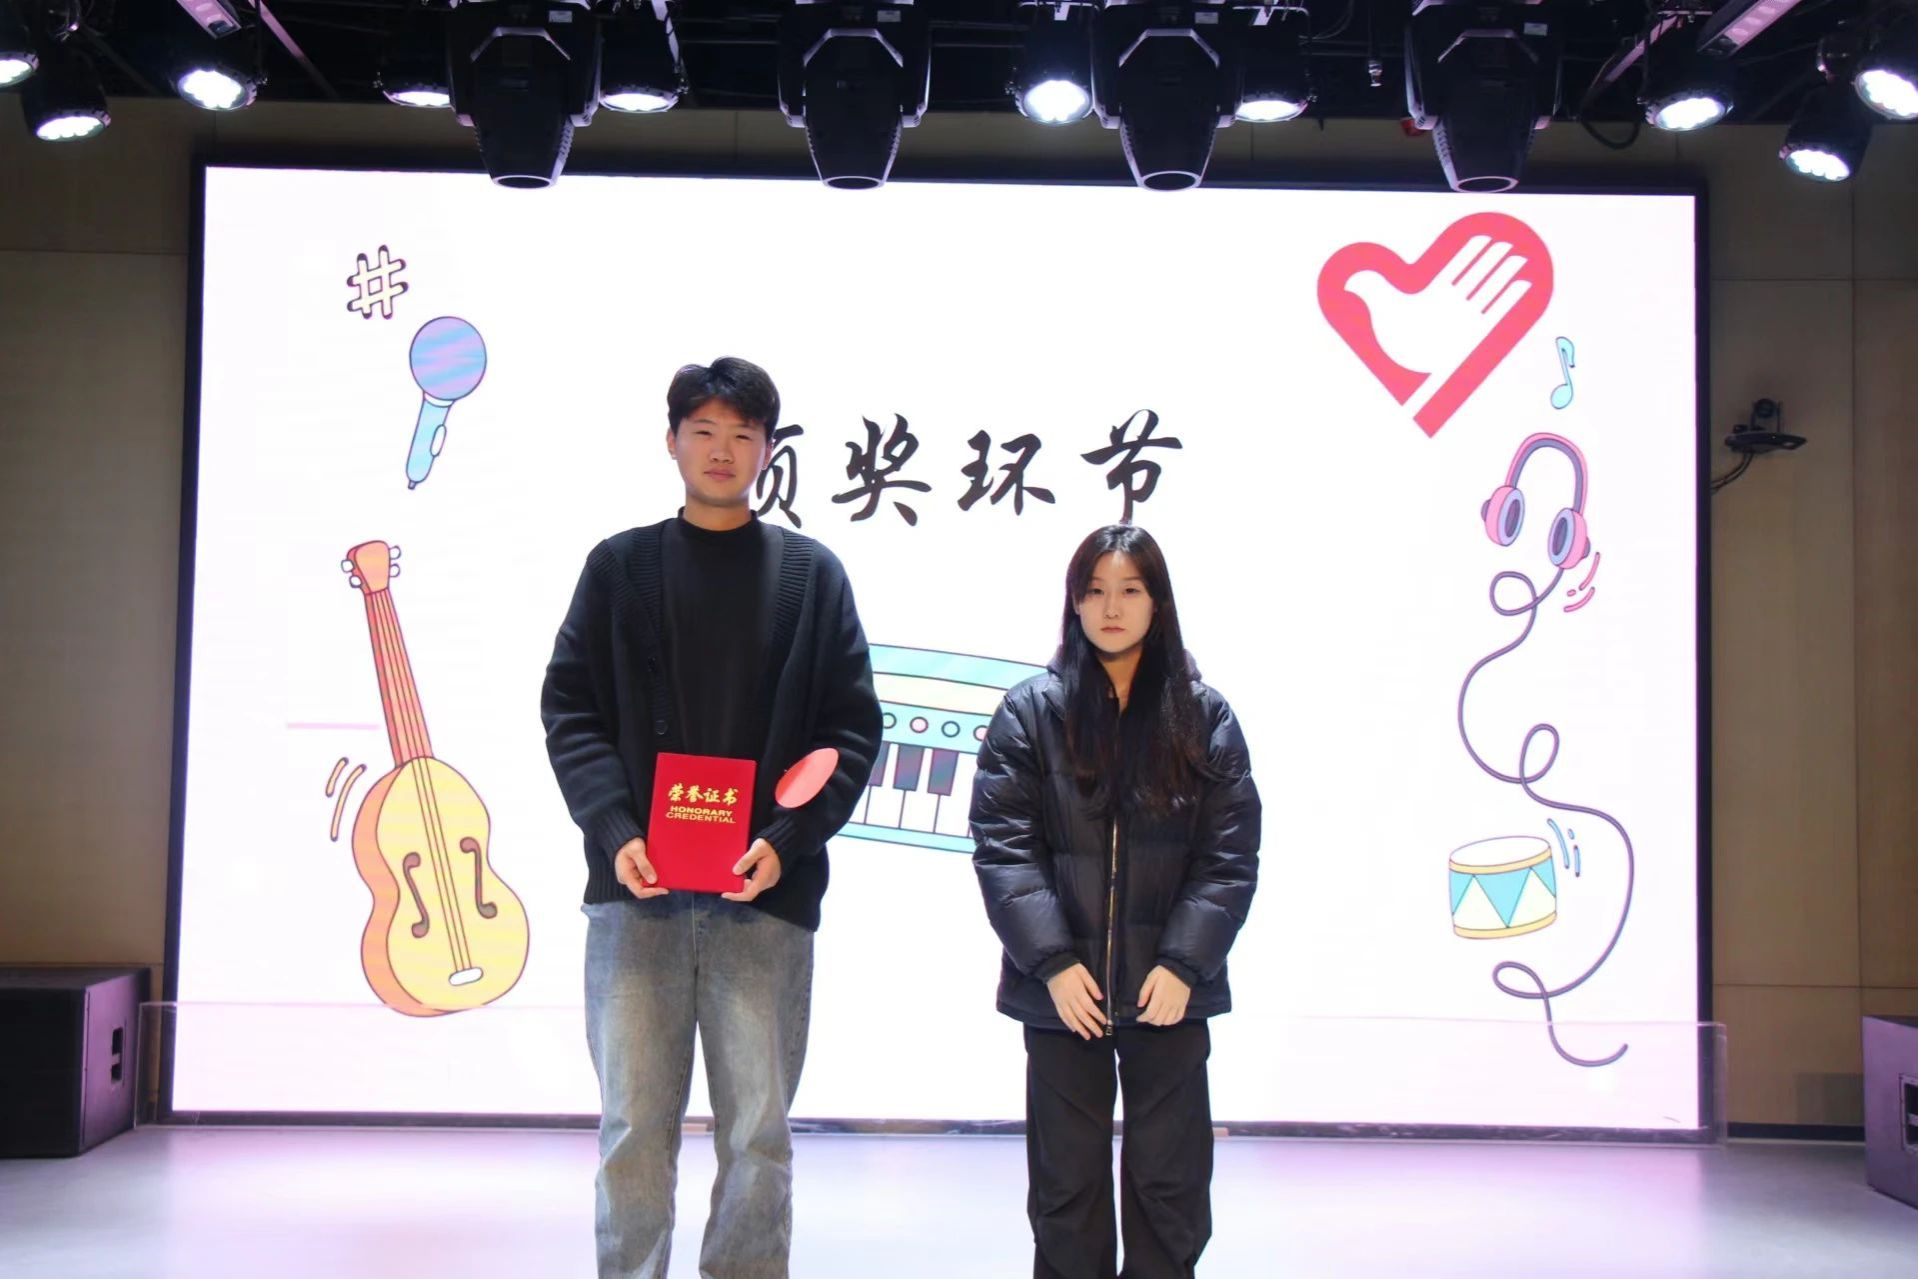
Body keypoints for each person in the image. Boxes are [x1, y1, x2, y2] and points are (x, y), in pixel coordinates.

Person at [541, 357, 882, 1279]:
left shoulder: (813, 576)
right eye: (704, 431)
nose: (722, 450)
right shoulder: (618, 567)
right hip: (637, 899)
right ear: (672, 442)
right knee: (632, 1130)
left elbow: (851, 729)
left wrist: (785, 841)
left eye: (742, 434)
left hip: (762, 903)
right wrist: (618, 830)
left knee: (758, 1135)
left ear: (768, 449)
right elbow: (570, 708)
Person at [971, 523, 1262, 1279]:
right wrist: (1053, 964)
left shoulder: (1204, 716)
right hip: (1063, 993)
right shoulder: (1029, 712)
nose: (1111, 607)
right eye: (1095, 590)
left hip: (1170, 992)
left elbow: (1228, 857)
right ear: (1073, 601)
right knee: (1066, 1187)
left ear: (1158, 603)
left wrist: (1184, 964)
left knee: (1171, 1184)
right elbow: (1005, 848)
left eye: (1130, 590)